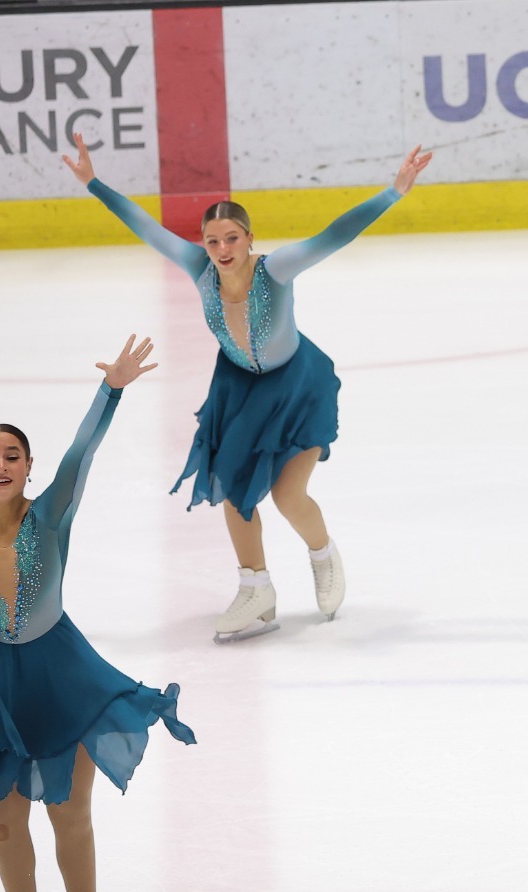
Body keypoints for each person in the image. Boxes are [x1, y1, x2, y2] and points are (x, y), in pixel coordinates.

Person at [64, 134, 432, 640]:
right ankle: (255, 589)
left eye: (231, 239)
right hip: (238, 389)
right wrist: (94, 184)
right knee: (234, 491)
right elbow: (145, 226)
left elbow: (334, 234)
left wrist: (394, 192)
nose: (221, 250)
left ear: (249, 238)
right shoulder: (199, 270)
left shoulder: (275, 270)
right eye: (212, 241)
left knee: (287, 494)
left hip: (297, 385)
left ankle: (323, 555)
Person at [0, 336, 196, 892]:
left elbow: (84, 450)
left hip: (59, 674)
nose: (0, 464)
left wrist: (112, 390)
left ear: (27, 465)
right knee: (1, 820)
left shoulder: (52, 514)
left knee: (69, 813)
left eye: (11, 455)